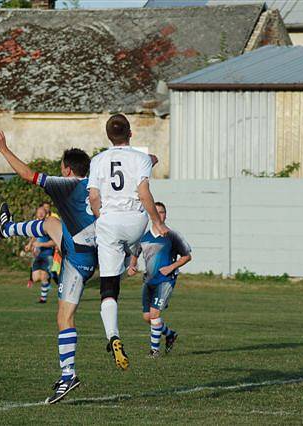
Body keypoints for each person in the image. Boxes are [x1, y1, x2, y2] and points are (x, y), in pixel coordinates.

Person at [0, 130, 96, 404]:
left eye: (61, 168)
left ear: (67, 169)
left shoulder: (67, 184)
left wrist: (3, 149)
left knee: (64, 318)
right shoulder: (96, 186)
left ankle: (68, 376)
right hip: (89, 249)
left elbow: (28, 174)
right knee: (51, 224)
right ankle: (7, 229)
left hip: (79, 258)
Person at [87, 113, 168, 371]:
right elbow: (143, 192)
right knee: (132, 239)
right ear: (130, 133)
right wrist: (157, 222)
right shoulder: (141, 158)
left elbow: (93, 198)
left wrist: (104, 219)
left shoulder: (97, 160)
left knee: (108, 287)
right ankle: (133, 254)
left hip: (109, 222)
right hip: (135, 221)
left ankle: (113, 336)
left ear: (108, 136)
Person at [127, 202, 191, 357]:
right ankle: (169, 334)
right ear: (151, 215)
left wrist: (171, 267)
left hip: (166, 280)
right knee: (147, 317)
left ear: (165, 215)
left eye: (162, 212)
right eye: (156, 212)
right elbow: (135, 253)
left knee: (155, 315)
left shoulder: (172, 235)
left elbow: (187, 256)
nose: (159, 215)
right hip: (149, 281)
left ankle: (154, 351)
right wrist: (132, 266)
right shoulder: (144, 237)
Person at [25, 205, 56, 304]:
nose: (41, 214)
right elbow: (34, 236)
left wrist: (41, 244)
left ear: (46, 213)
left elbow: (54, 242)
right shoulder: (36, 225)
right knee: (35, 278)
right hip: (37, 255)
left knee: (43, 276)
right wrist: (30, 245)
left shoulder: (49, 225)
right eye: (39, 212)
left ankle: (43, 299)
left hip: (47, 255)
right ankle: (52, 278)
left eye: (42, 212)